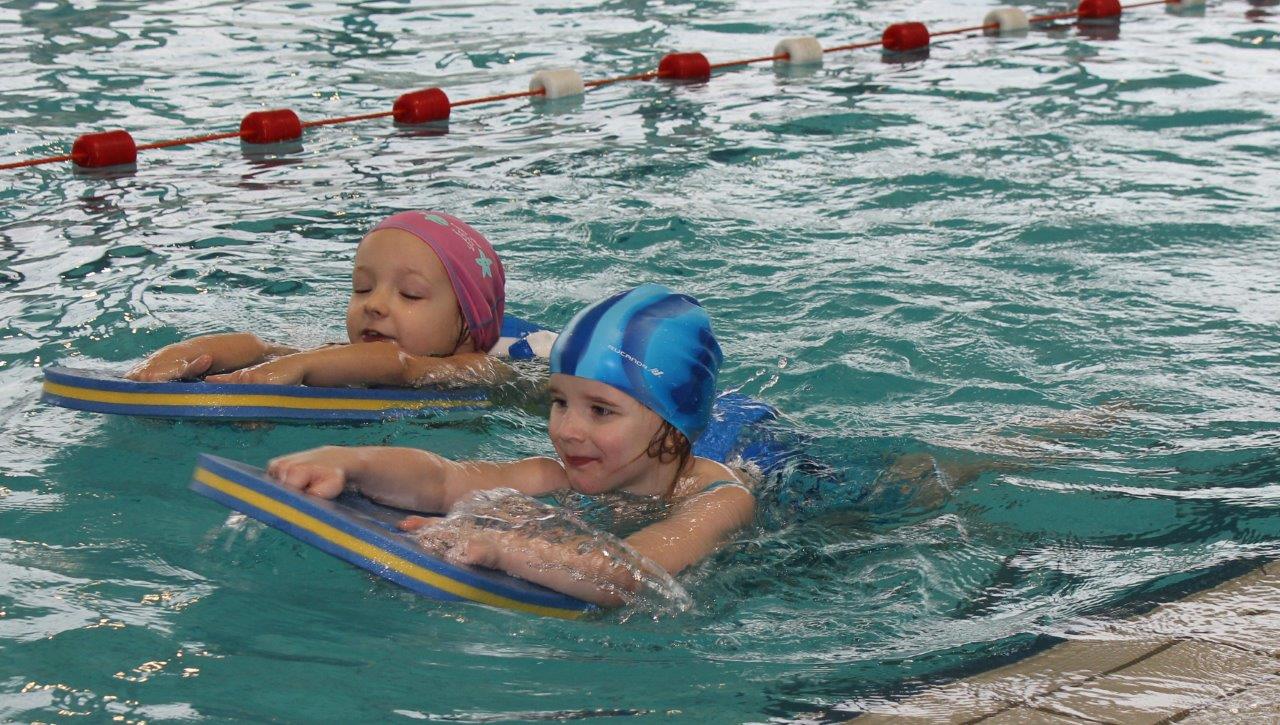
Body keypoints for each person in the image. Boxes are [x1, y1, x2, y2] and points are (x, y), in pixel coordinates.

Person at [267, 283, 756, 607]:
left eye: (600, 410)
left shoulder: (720, 500)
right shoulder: (563, 472)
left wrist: (506, 549)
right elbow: (443, 479)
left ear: (672, 427)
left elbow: (636, 574)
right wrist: (351, 462)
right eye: (560, 402)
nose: (566, 430)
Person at [125, 210, 508, 387]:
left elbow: (402, 367)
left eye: (409, 294)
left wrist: (301, 367)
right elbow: (267, 350)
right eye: (361, 288)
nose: (373, 304)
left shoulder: (479, 370)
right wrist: (192, 350)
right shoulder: (341, 354)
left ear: (468, 324)